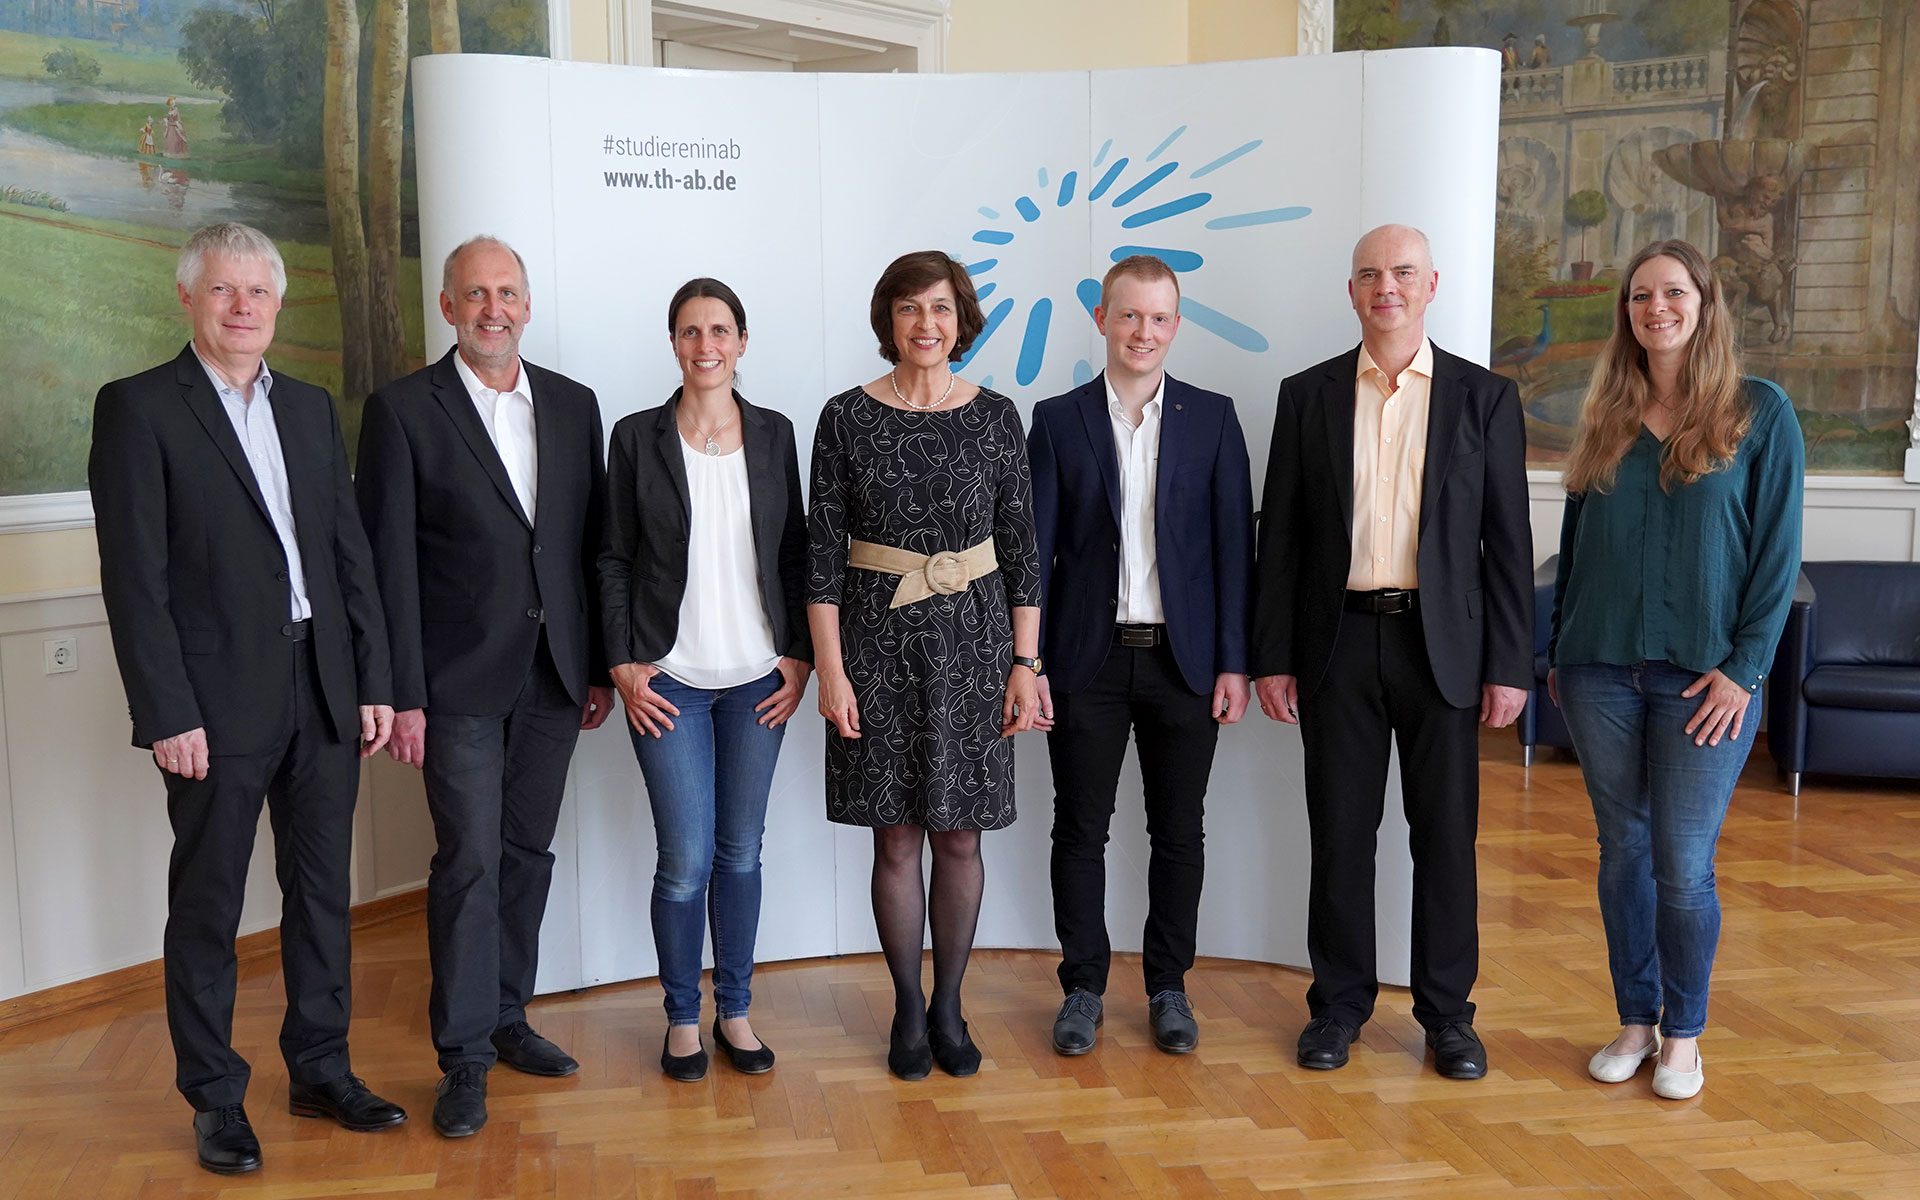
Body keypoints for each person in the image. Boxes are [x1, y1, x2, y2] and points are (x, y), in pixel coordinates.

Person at [90, 222, 406, 1175]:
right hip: (213, 706)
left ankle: (319, 1068)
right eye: (222, 291)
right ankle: (216, 1098)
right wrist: (166, 712)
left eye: (256, 293)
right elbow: (133, 578)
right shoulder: (140, 408)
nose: (241, 308)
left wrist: (374, 681)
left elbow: (349, 556)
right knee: (210, 905)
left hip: (323, 692)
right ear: (189, 299)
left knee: (321, 897)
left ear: (278, 304)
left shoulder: (308, 409)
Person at [1250, 223, 1533, 1080]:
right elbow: (1284, 538)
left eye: (1403, 272)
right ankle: (1338, 1008)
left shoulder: (1485, 399)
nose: (1388, 287)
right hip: (1335, 644)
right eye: (1371, 273)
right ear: (1351, 290)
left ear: (1432, 283)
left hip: (1444, 650)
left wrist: (1510, 666)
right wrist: (1271, 655)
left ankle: (1449, 1017)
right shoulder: (1307, 395)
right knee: (1341, 837)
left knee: (1446, 839)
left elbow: (1507, 543)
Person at [355, 235, 615, 1137]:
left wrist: (597, 667)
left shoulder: (576, 406)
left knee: (526, 858)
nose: (492, 308)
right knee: (466, 863)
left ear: (527, 305)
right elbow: (387, 562)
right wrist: (402, 694)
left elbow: (591, 549)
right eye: (475, 295)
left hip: (553, 679)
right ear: (447, 306)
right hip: (454, 685)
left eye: (506, 292)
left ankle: (508, 1019)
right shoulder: (401, 412)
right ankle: (461, 1057)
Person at [1549, 237, 1803, 1101]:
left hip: (1707, 681)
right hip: (1597, 672)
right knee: (1622, 850)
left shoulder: (1759, 413)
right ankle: (1635, 1020)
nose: (1654, 308)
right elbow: (1575, 546)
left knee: (1682, 860)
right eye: (1640, 296)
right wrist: (1558, 650)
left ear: (1704, 304)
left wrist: (1747, 670)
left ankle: (1684, 1037)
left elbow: (1777, 557)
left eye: (1672, 293)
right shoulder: (1606, 416)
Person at [807, 249, 1042, 1080]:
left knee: (963, 836)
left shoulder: (997, 416)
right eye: (909, 309)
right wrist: (830, 671)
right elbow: (822, 559)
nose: (926, 325)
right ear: (888, 321)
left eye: (940, 309)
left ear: (961, 318)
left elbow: (1020, 550)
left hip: (975, 647)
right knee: (897, 837)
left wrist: (1026, 662)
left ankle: (951, 1004)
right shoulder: (843, 417)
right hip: (875, 645)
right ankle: (908, 1005)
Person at [1027, 254, 1254, 1057]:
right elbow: (1036, 556)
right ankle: (1082, 987)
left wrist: (1234, 663)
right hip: (1082, 663)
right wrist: (1030, 665)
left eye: (1159, 318)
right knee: (1080, 830)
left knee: (1179, 832)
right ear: (1102, 319)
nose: (1144, 332)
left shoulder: (1214, 418)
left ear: (1176, 326)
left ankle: (1168, 988)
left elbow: (1234, 551)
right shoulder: (1056, 421)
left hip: (1184, 665)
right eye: (1130, 316)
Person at [600, 278, 812, 1083]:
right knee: (685, 857)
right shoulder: (636, 437)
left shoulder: (774, 433)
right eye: (690, 331)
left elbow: (794, 551)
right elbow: (614, 555)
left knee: (742, 853)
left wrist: (799, 654)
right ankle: (682, 1020)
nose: (705, 345)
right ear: (674, 344)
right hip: (672, 681)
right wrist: (622, 662)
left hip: (760, 678)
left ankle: (737, 1010)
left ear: (742, 342)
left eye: (719, 330)